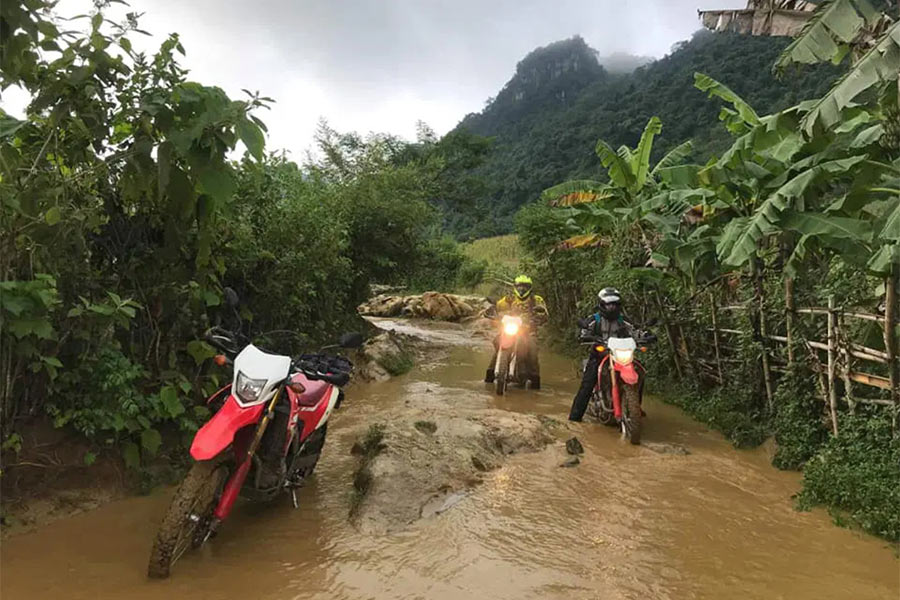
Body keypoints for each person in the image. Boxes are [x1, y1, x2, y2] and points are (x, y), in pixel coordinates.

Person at [568, 287, 635, 422]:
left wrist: (646, 335)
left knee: (639, 373)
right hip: (599, 355)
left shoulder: (623, 320)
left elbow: (636, 329)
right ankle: (575, 418)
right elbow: (584, 329)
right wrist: (584, 334)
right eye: (608, 304)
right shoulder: (595, 319)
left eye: (614, 304)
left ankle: (635, 408)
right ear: (602, 304)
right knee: (587, 384)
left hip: (620, 356)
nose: (612, 308)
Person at [484, 275, 548, 388]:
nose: (522, 289)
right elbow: (498, 306)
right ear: (515, 287)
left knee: (532, 350)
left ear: (530, 288)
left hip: (529, 331)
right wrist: (492, 311)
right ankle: (490, 375)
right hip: (510, 328)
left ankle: (535, 380)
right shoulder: (509, 299)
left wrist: (539, 317)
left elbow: (544, 313)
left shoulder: (536, 299)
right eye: (519, 286)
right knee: (498, 342)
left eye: (525, 286)